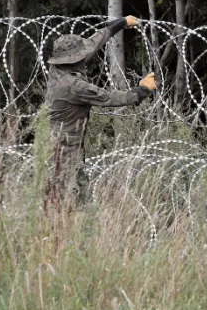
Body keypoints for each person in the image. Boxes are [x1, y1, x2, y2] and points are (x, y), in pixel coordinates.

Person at [42, 16, 156, 212]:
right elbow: (109, 98)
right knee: (70, 200)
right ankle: (70, 231)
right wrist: (142, 91)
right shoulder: (74, 86)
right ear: (74, 60)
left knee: (66, 198)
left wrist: (120, 24)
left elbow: (92, 44)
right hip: (64, 151)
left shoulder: (57, 68)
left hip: (58, 143)